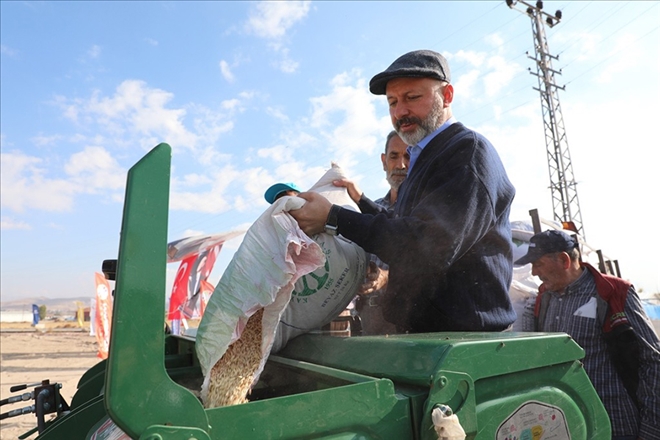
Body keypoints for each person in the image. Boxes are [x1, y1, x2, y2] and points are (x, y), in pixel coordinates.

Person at [290, 49, 517, 333]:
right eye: (392, 102)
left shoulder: (466, 153)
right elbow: (405, 227)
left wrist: (334, 217)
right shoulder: (424, 158)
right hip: (426, 334)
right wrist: (360, 203)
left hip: (465, 338)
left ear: (446, 96)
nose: (400, 112)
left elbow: (428, 246)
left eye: (412, 98)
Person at [515, 230, 660, 440]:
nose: (534, 272)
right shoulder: (545, 298)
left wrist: (651, 431)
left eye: (538, 264)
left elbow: (652, 360)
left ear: (564, 260)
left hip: (616, 424)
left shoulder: (613, 291)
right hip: (568, 423)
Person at [353, 131, 409, 334]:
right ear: (384, 161)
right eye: (394, 156)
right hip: (368, 316)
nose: (401, 165)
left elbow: (427, 264)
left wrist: (387, 277)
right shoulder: (369, 210)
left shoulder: (423, 210)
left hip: (406, 318)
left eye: (408, 156)